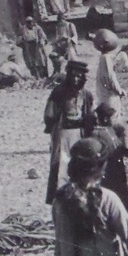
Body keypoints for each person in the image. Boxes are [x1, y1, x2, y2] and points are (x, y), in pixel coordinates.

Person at [43, 59, 96, 204]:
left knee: (78, 165)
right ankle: (58, 201)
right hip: (62, 133)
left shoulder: (86, 94)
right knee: (60, 166)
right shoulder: (59, 92)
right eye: (73, 74)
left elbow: (89, 115)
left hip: (79, 133)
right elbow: (50, 115)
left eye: (80, 75)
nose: (76, 78)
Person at [92, 100, 128, 212]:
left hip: (117, 170)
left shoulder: (111, 130)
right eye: (112, 117)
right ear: (105, 119)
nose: (114, 120)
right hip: (108, 171)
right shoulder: (97, 134)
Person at [91, 28, 128, 115]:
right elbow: (110, 77)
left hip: (105, 94)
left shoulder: (104, 57)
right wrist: (119, 90)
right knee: (112, 116)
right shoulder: (106, 58)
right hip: (109, 96)